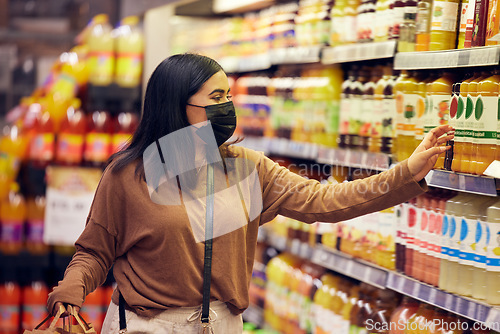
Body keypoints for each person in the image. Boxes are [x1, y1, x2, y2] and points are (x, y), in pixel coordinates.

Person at [47, 53, 453, 334]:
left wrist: (406, 173)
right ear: (176, 106)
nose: (228, 107)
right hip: (149, 325)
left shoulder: (246, 167)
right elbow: (96, 251)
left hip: (223, 323)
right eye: (216, 98)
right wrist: (70, 292)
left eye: (229, 96)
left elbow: (324, 200)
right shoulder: (128, 175)